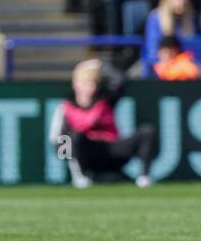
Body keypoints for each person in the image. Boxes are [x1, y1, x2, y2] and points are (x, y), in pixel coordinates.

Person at [49, 58, 155, 188]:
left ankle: (144, 178)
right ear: (75, 84)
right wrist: (72, 162)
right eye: (85, 83)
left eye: (93, 84)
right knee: (76, 136)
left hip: (111, 149)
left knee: (147, 131)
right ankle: (81, 177)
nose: (90, 88)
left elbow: (120, 79)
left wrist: (98, 64)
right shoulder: (65, 107)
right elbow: (58, 142)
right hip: (87, 155)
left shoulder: (105, 99)